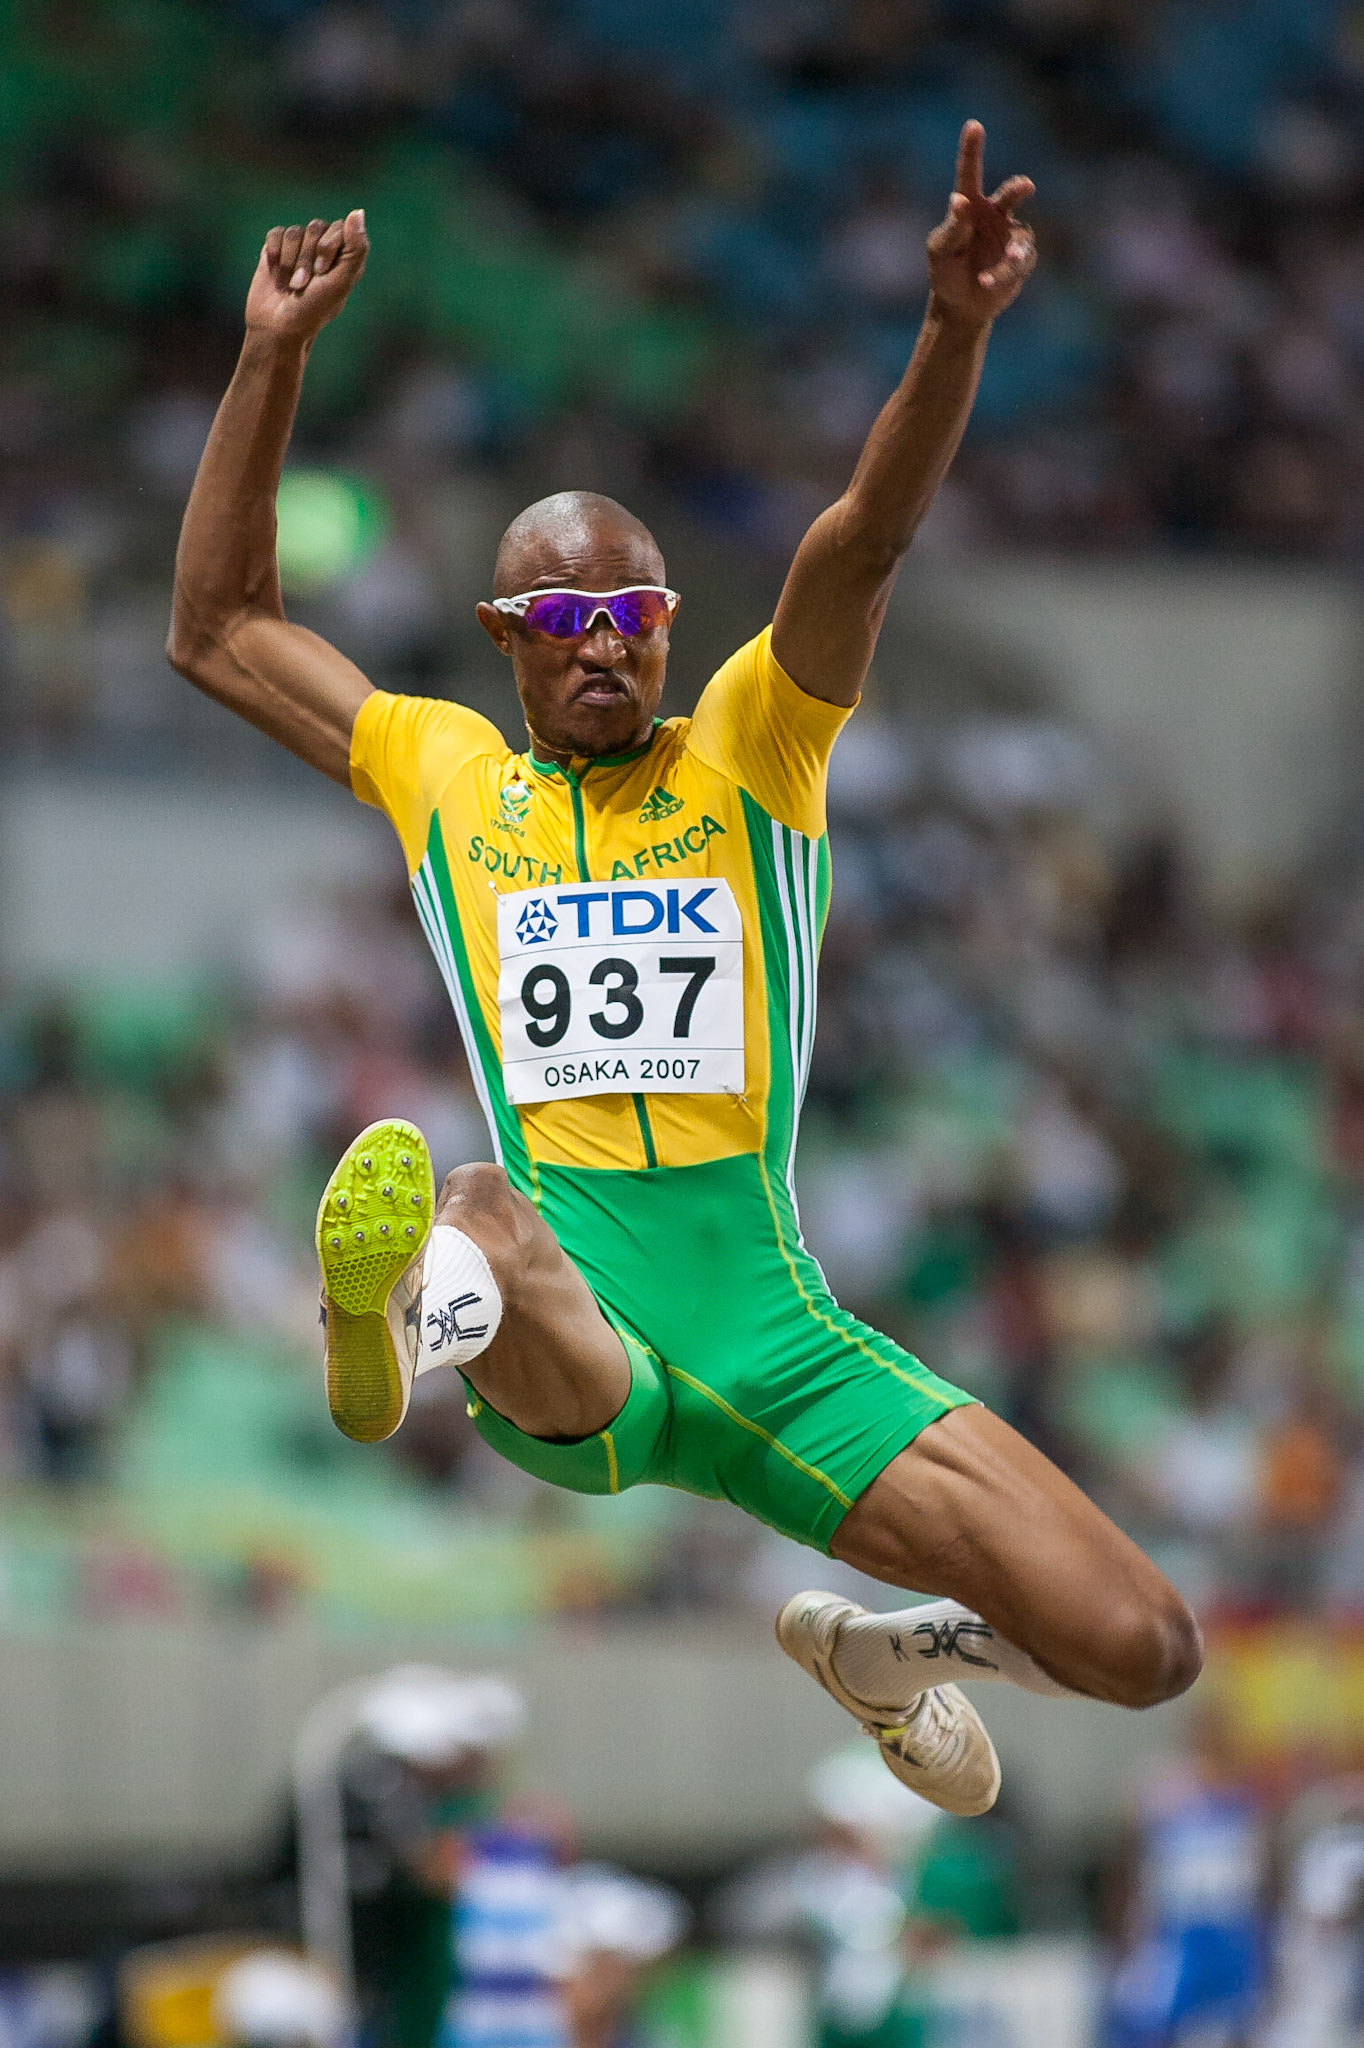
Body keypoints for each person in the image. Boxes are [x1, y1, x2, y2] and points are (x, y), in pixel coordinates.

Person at [168, 122, 1202, 1821]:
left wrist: (953, 329)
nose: (609, 646)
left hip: (784, 1338)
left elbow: (860, 539)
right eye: (565, 624)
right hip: (578, 1321)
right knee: (489, 1202)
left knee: (1144, 1643)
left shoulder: (747, 748)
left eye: (634, 612)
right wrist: (270, 358)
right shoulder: (445, 778)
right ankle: (388, 1340)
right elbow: (216, 627)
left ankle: (892, 1658)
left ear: (666, 622)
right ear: (507, 643)